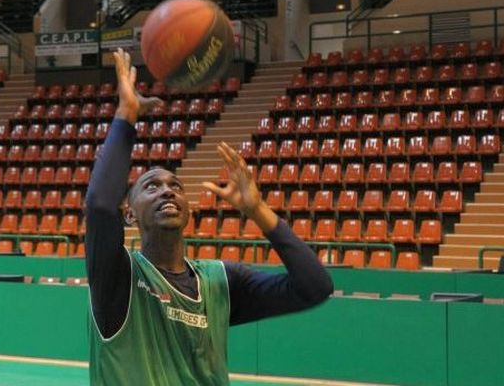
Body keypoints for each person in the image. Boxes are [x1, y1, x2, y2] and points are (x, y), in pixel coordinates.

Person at [85, 48, 334, 386]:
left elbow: (315, 287)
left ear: (189, 209)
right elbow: (100, 205)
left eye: (175, 186)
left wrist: (257, 211)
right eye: (151, 187)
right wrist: (127, 113)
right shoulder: (117, 277)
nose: (167, 191)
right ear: (130, 214)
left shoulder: (220, 282)